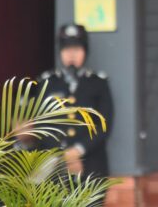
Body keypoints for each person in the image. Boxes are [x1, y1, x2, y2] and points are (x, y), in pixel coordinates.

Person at [37, 23, 115, 179]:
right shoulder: (47, 82)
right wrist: (63, 155)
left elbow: (104, 125)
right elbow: (40, 123)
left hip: (91, 165)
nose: (71, 54)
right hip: (54, 167)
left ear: (85, 51)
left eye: (77, 49)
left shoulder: (98, 83)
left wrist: (78, 150)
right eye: (67, 49)